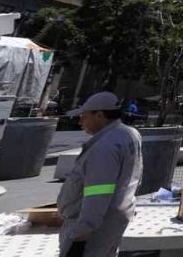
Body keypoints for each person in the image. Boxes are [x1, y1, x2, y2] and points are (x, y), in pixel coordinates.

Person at [57, 92, 142, 256]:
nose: (81, 121)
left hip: (92, 228)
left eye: (84, 116)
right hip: (114, 218)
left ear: (100, 115)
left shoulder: (104, 148)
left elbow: (97, 195)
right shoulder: (129, 134)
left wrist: (80, 236)